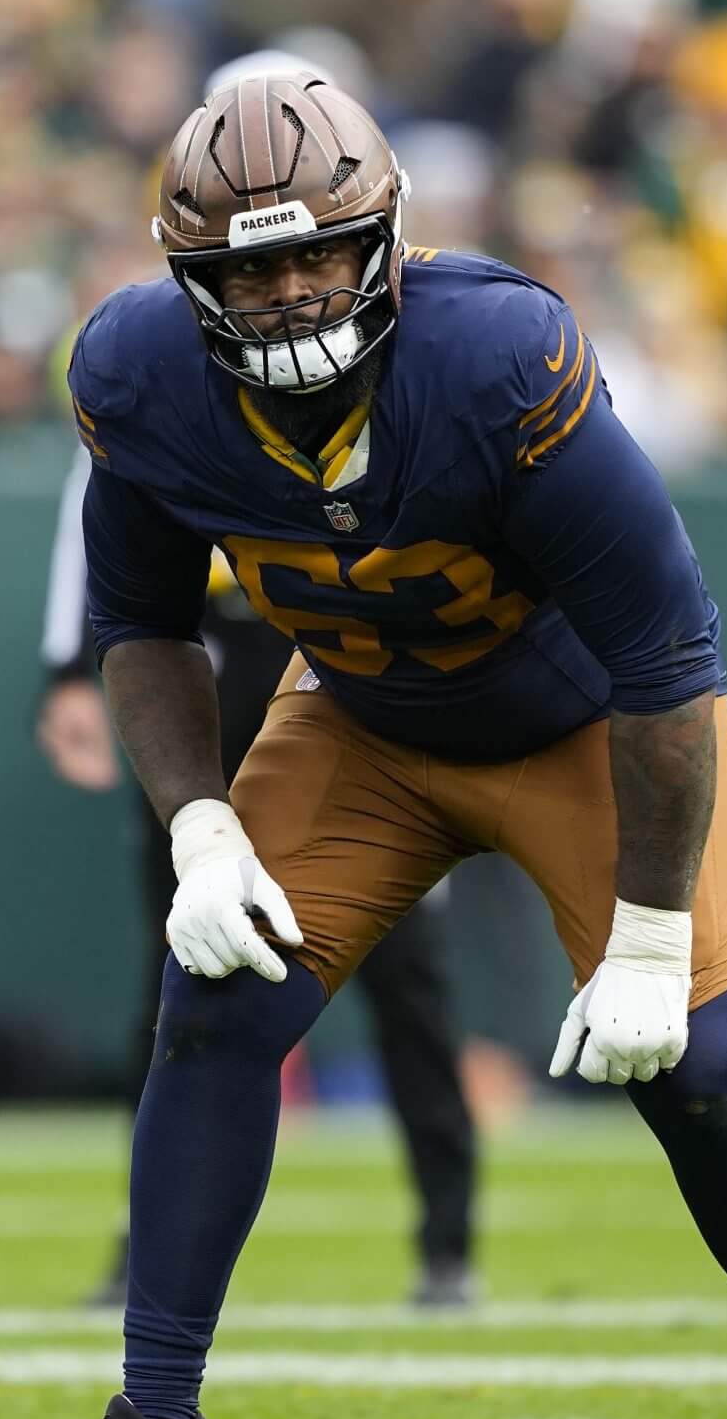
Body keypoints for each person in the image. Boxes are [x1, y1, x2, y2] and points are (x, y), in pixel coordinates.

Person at [6, 72, 727, 1419]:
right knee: (217, 1004)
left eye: (315, 254)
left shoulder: (496, 354)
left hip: (590, 723)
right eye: (248, 268)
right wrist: (201, 826)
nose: (285, 293)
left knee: (700, 1069)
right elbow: (140, 622)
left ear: (385, 240)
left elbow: (666, 649)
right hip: (361, 717)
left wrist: (649, 935)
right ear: (188, 279)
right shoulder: (141, 374)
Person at [40, 446, 481, 1308]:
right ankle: (149, 1246)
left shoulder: (371, 388)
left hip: (336, 663)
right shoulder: (157, 384)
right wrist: (66, 669)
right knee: (176, 980)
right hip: (195, 665)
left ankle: (448, 1240)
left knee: (408, 979)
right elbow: (95, 500)